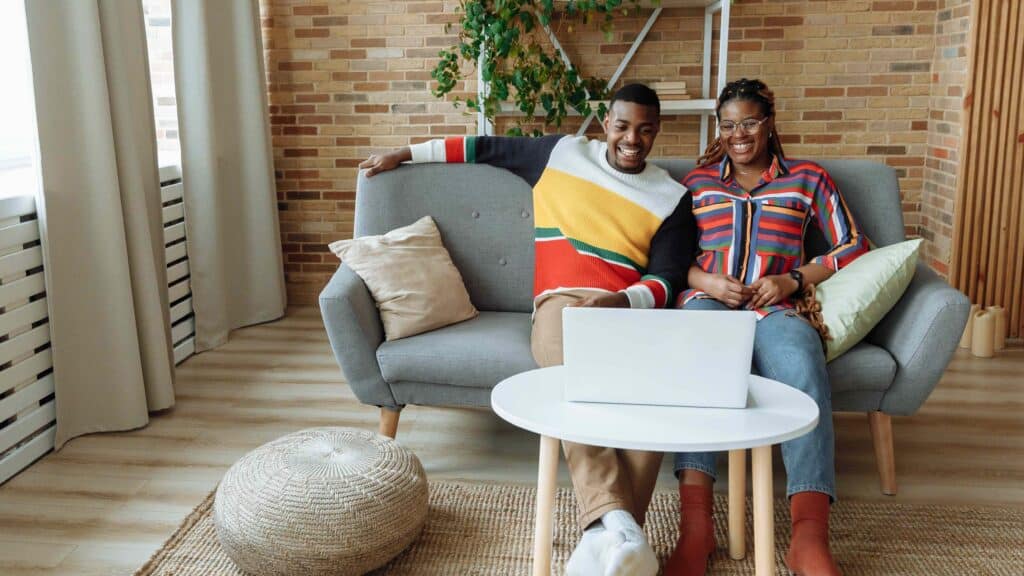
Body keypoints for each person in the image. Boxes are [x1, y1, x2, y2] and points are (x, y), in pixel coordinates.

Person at [360, 83, 697, 576]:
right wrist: (403, 153)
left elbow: (666, 280)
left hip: (629, 313)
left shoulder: (672, 197)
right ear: (606, 122)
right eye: (623, 126)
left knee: (647, 400)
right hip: (562, 304)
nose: (632, 139)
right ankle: (618, 522)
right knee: (570, 377)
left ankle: (610, 541)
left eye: (645, 130)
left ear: (657, 131)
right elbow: (480, 146)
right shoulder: (560, 154)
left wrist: (623, 299)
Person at [665, 78, 868, 576]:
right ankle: (696, 528)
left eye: (750, 122)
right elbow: (672, 262)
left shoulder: (808, 179)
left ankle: (809, 538)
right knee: (698, 366)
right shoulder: (698, 183)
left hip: (776, 309)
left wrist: (792, 279)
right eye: (729, 124)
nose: (739, 134)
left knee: (802, 364)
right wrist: (709, 282)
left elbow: (853, 244)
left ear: (769, 123)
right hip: (708, 304)